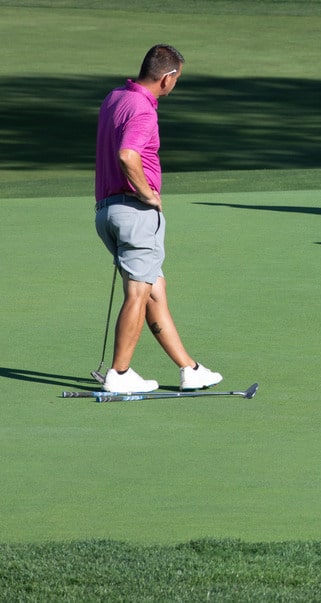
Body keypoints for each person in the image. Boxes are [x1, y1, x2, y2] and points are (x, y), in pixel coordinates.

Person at [94, 44, 222, 394]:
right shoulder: (143, 110)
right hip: (134, 213)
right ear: (167, 78)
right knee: (138, 292)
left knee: (153, 291)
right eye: (177, 79)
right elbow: (127, 154)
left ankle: (189, 369)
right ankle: (119, 373)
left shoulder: (115, 97)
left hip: (107, 210)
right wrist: (148, 194)